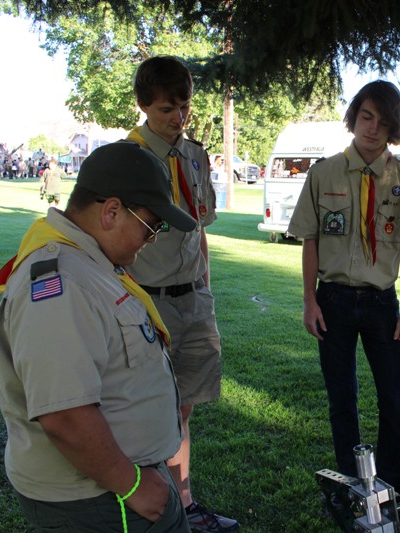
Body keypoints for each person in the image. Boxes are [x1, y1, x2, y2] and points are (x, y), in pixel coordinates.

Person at [0, 141, 198, 532]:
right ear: (111, 211)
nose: (151, 240)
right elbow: (64, 414)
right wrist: (133, 484)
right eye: (151, 226)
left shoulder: (91, 262)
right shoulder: (62, 283)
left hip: (116, 486)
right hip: (100, 499)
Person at [288, 80, 400, 495]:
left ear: (394, 129)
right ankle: (352, 483)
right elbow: (310, 240)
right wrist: (309, 301)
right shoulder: (323, 172)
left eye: (383, 122)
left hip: (382, 304)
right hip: (332, 300)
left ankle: (393, 485)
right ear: (354, 117)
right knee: (341, 400)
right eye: (366, 117)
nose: (372, 128)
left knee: (393, 397)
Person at [125, 55, 239, 533]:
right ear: (145, 104)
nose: (178, 116)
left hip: (194, 298)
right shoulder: (129, 158)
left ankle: (184, 504)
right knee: (149, 408)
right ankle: (150, 503)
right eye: (168, 107)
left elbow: (198, 231)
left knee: (184, 405)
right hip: (148, 298)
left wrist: (206, 288)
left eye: (184, 105)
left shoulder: (194, 155)